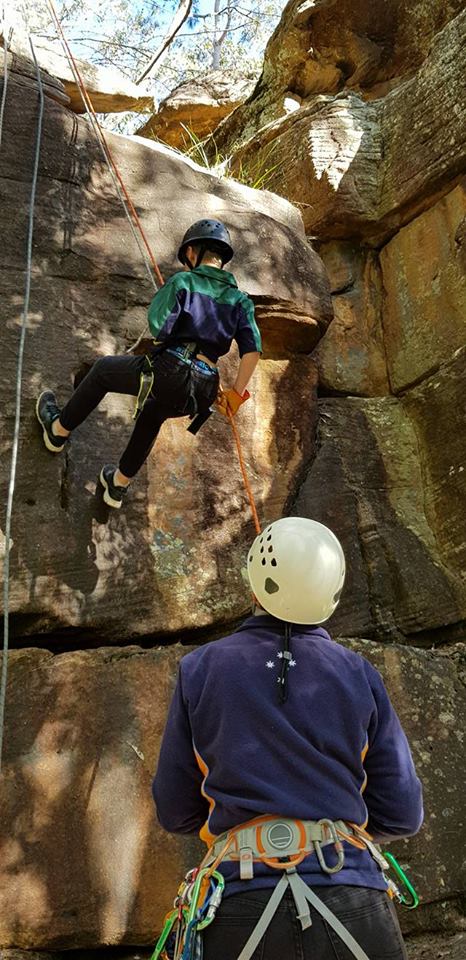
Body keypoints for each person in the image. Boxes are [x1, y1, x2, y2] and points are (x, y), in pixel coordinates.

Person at [152, 517, 423, 960]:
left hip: (240, 898)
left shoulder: (200, 670)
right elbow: (403, 812)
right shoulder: (358, 675)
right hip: (351, 892)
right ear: (330, 596)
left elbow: (175, 807)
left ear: (255, 584)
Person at [36, 219, 261, 508]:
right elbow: (252, 351)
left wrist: (173, 302)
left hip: (174, 369)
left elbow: (158, 326)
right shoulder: (241, 300)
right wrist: (236, 394)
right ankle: (117, 485)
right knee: (153, 415)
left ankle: (58, 430)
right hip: (205, 388)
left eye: (187, 256)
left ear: (193, 252)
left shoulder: (184, 282)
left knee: (104, 371)